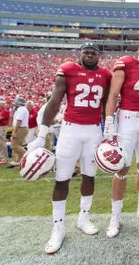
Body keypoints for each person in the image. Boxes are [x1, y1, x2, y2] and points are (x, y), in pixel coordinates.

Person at [27, 43, 111, 254]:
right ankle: (58, 227)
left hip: (93, 131)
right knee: (62, 178)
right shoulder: (68, 69)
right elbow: (54, 103)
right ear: (80, 55)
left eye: (93, 53)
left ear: (99, 56)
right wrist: (41, 134)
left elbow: (106, 106)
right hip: (70, 130)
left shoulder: (105, 74)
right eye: (86, 53)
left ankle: (84, 217)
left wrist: (110, 132)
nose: (90, 56)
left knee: (89, 176)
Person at [103, 37, 139, 238]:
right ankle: (115, 217)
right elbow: (112, 94)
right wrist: (109, 121)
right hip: (126, 119)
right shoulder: (126, 62)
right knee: (121, 168)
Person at [8, 97, 29, 169]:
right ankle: (20, 162)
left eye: (15, 102)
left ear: (19, 103)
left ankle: (27, 157)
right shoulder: (22, 109)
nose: (14, 103)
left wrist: (14, 131)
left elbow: (19, 121)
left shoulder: (21, 110)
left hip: (20, 128)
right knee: (18, 145)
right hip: (21, 128)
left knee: (14, 145)